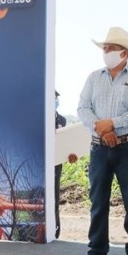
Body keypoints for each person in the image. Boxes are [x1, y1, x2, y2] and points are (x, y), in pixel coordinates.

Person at [76, 27, 128, 255]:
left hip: (127, 147)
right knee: (98, 201)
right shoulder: (93, 78)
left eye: (111, 48)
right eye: (105, 48)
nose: (106, 52)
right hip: (99, 148)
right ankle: (96, 252)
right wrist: (102, 129)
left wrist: (112, 123)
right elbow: (83, 109)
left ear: (124, 53)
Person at [54, 91, 78, 240]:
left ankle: (55, 230)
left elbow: (65, 143)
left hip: (56, 164)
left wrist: (70, 154)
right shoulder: (38, 117)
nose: (55, 100)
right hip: (39, 162)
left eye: (56, 98)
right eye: (52, 97)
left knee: (54, 197)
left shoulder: (62, 120)